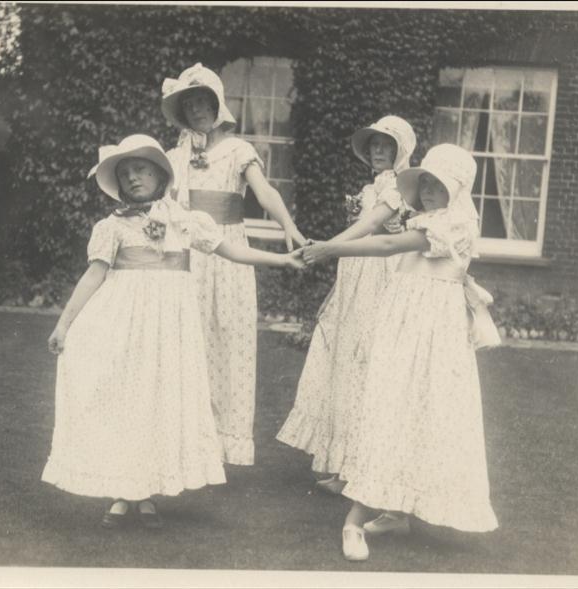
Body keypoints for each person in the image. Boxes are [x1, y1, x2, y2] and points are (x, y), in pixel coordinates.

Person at [41, 135, 303, 528]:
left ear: (161, 175)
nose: (133, 178)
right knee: (127, 401)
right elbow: (94, 275)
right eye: (126, 174)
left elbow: (231, 251)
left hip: (169, 332)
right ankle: (123, 492)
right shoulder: (112, 227)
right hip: (124, 326)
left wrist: (281, 260)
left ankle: (147, 492)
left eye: (141, 170)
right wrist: (64, 324)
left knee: (158, 403)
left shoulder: (185, 221)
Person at [301, 144, 500, 561]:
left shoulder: (457, 224)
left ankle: (359, 519)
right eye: (424, 182)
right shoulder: (428, 219)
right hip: (404, 322)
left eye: (438, 185)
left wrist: (330, 248)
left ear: (456, 190)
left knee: (418, 412)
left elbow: (389, 245)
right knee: (392, 408)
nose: (427, 190)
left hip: (433, 331)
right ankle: (391, 511)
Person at [161, 63, 307, 466]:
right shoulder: (174, 156)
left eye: (202, 101)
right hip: (187, 253)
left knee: (230, 339)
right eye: (189, 104)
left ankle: (226, 441)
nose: (196, 110)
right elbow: (162, 205)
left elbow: (264, 192)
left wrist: (289, 226)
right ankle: (185, 438)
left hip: (228, 253)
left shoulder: (238, 150)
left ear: (216, 104)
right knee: (186, 340)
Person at [276, 116, 416, 494]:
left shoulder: (399, 188)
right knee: (345, 364)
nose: (378, 151)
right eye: (374, 145)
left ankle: (361, 467)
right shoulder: (371, 187)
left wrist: (328, 247)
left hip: (380, 278)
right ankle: (343, 463)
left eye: (386, 146)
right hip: (355, 276)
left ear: (401, 150)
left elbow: (369, 227)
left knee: (366, 365)